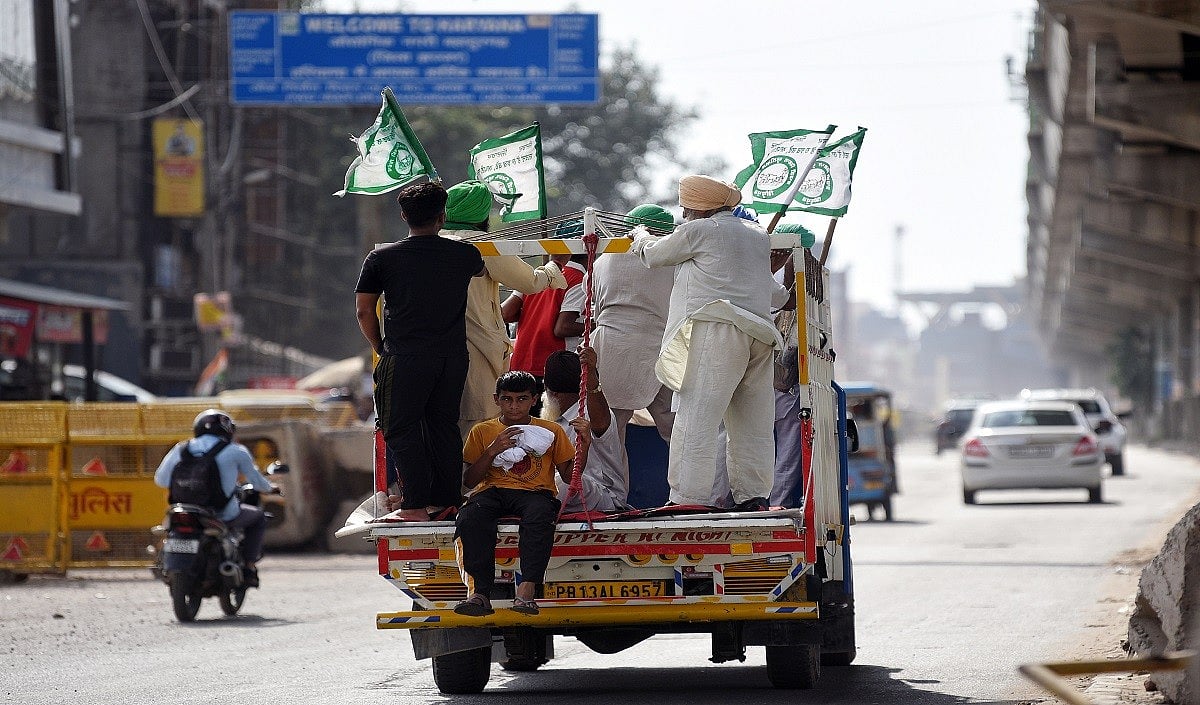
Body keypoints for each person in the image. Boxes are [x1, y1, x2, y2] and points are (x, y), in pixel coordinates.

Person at [627, 175, 791, 512]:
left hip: (718, 328)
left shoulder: (697, 231)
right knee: (752, 423)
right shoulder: (758, 236)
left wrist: (640, 234)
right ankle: (754, 498)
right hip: (760, 334)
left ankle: (687, 499)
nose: (684, 214)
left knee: (695, 417)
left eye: (685, 208)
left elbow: (653, 256)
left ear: (695, 207)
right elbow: (776, 294)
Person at [355, 181, 486, 521]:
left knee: (400, 427)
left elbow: (364, 311)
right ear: (442, 217)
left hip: (406, 357)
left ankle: (413, 505)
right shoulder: (465, 255)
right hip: (452, 358)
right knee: (444, 425)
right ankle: (445, 501)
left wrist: (379, 346)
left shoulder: (382, 258)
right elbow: (478, 267)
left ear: (403, 216)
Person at [439, 180, 569, 438]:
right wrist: (555, 265)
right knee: (476, 429)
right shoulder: (481, 245)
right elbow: (531, 282)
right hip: (477, 352)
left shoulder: (430, 243)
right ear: (481, 215)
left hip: (434, 352)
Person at [454, 371, 591, 616]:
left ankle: (526, 593)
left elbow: (571, 477)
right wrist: (492, 450)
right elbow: (469, 481)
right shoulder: (482, 431)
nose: (514, 406)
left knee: (540, 515)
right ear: (497, 400)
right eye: (507, 399)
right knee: (470, 516)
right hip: (493, 490)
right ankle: (479, 593)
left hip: (535, 492)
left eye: (521, 399)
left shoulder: (552, 431)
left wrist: (585, 444)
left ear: (535, 400)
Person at [573, 204, 677, 447]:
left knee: (608, 434)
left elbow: (589, 296)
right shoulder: (671, 260)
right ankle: (692, 486)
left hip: (610, 350)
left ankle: (609, 487)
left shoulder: (603, 260)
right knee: (679, 434)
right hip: (660, 350)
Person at [153, 409, 276, 587]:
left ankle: (164, 561)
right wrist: (270, 488)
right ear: (228, 430)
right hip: (221, 513)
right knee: (257, 517)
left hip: (182, 511)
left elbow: (161, 480)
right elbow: (256, 482)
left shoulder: (181, 449)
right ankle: (249, 566)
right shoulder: (236, 451)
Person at [542, 346, 630, 512]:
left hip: (604, 497)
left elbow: (601, 422)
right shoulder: (552, 421)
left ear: (554, 394)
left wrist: (591, 378)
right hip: (562, 497)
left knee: (562, 483)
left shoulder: (589, 413)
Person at [503, 219, 587, 389]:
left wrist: (535, 312)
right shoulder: (578, 279)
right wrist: (596, 324)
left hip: (520, 363)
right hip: (554, 368)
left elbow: (506, 313)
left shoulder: (537, 274)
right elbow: (561, 328)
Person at [768, 223, 813, 508]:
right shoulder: (774, 292)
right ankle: (771, 502)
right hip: (776, 388)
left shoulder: (801, 298)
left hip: (779, 389)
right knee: (780, 453)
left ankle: (772, 503)